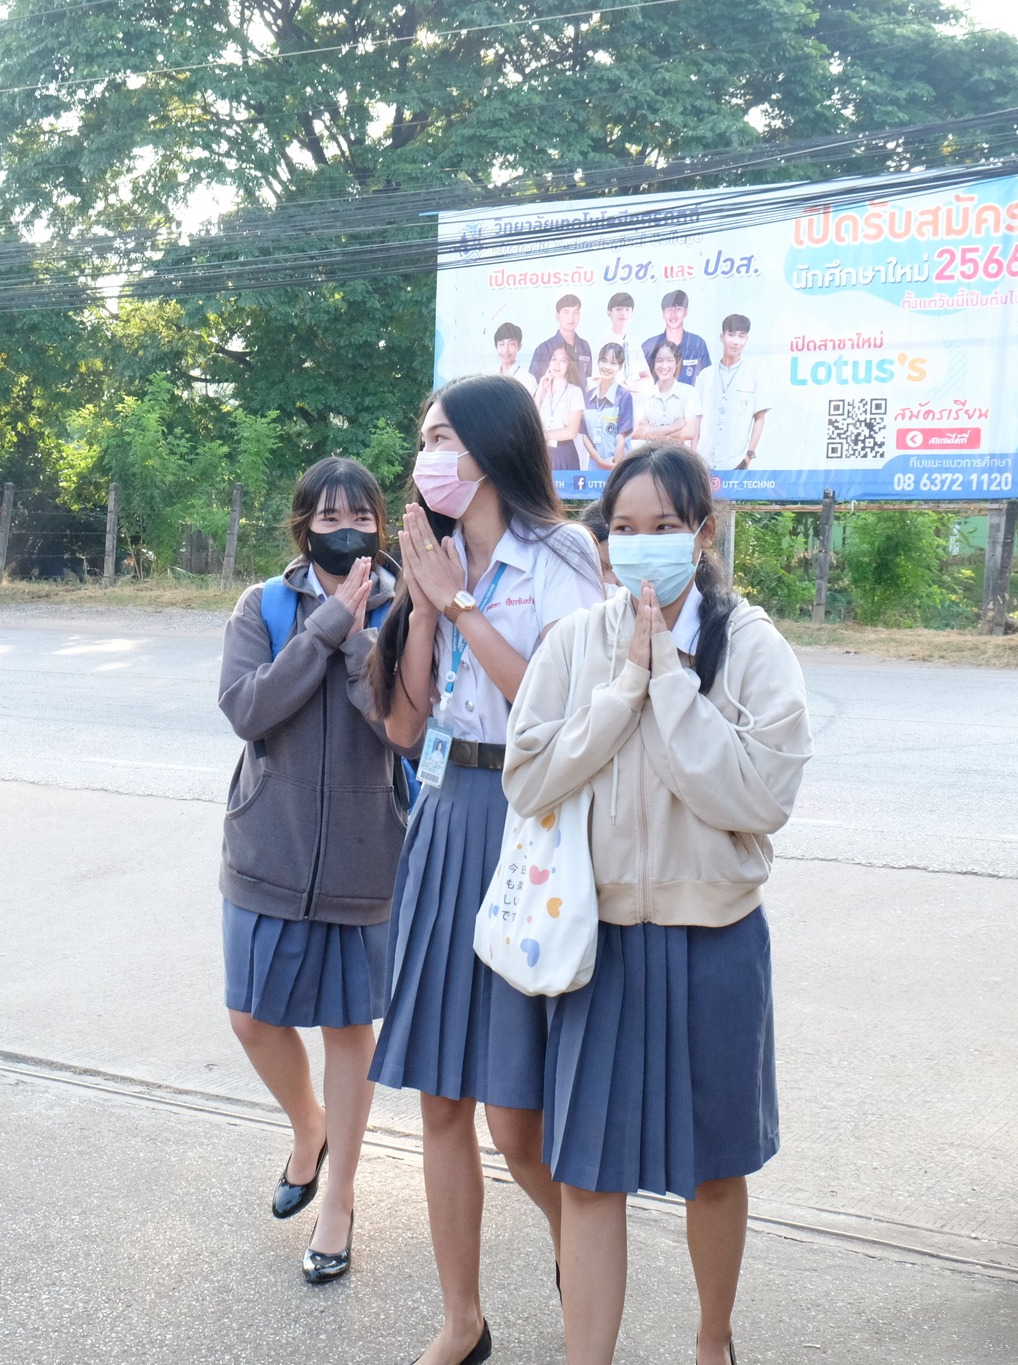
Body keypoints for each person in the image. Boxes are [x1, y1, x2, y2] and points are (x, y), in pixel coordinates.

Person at [503, 444, 811, 1365]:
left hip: (713, 939)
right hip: (597, 945)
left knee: (713, 1170)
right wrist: (622, 688)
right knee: (588, 1175)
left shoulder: (751, 645)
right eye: (625, 530)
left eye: (666, 529)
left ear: (702, 533)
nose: (643, 548)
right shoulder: (574, 644)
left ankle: (713, 1342)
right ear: (603, 542)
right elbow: (529, 776)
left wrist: (670, 681)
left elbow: (758, 797)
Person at [368, 373, 605, 1365]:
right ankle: (460, 1319)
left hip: (530, 817)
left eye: (442, 437)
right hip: (446, 813)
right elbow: (403, 721)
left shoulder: (561, 556)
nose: (428, 456)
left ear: (491, 445)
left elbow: (551, 709)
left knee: (514, 1118)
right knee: (439, 1100)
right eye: (421, 438)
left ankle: (582, 1254)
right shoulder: (425, 556)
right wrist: (419, 611)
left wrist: (457, 606)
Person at [216, 456, 408, 1287]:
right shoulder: (262, 604)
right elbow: (248, 707)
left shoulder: (410, 606)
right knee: (251, 1017)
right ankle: (308, 1126)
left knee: (346, 1033)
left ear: (381, 525)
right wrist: (324, 625)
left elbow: (403, 725)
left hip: (367, 857)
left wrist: (363, 630)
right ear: (303, 525)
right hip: (268, 848)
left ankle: (339, 1200)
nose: (345, 528)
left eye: (360, 515)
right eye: (329, 515)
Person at [698, 315, 770, 470]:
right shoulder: (706, 375)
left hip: (736, 462)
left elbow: (760, 418)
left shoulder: (754, 374)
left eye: (741, 336)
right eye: (731, 335)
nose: (736, 341)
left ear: (746, 339)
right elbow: (696, 418)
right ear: (722, 337)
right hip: (704, 460)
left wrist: (748, 456)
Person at [632, 341, 701, 453]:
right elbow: (635, 432)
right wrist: (674, 427)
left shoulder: (689, 392)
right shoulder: (643, 395)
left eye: (669, 360)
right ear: (653, 363)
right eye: (659, 360)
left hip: (680, 457)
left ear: (677, 363)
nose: (664, 366)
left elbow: (690, 431)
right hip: (650, 458)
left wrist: (652, 432)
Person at [578, 344, 636, 474]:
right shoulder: (588, 396)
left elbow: (621, 437)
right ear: (598, 362)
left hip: (617, 466)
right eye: (604, 361)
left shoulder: (624, 396)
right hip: (594, 466)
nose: (607, 367)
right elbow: (585, 436)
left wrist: (613, 465)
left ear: (620, 367)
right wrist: (599, 461)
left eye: (613, 363)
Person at [533, 340, 588, 473]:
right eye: (553, 359)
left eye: (563, 360)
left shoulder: (575, 392)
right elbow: (531, 418)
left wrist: (541, 435)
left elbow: (571, 431)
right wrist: (540, 390)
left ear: (569, 364)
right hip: (541, 453)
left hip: (564, 453)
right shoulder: (540, 389)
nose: (557, 364)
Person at [640, 290, 712, 387]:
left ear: (686, 312)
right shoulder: (649, 346)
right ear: (663, 313)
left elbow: (707, 382)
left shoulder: (697, 344)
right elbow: (640, 383)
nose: (673, 314)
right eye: (669, 309)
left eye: (678, 309)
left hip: (691, 401)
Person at [528, 294, 592, 382]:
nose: (571, 317)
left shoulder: (584, 346)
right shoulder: (543, 349)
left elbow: (587, 381)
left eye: (575, 312)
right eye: (566, 312)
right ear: (557, 316)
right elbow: (533, 384)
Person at [600, 293, 653, 394]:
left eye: (627, 309)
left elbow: (649, 380)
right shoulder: (602, 343)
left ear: (632, 313)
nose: (623, 313)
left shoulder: (634, 344)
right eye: (619, 309)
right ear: (609, 313)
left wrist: (626, 386)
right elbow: (600, 382)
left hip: (635, 402)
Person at [492, 322, 538, 395]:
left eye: (511, 344)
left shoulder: (528, 380)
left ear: (519, 346)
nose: (506, 350)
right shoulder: (490, 377)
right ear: (496, 347)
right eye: (502, 344)